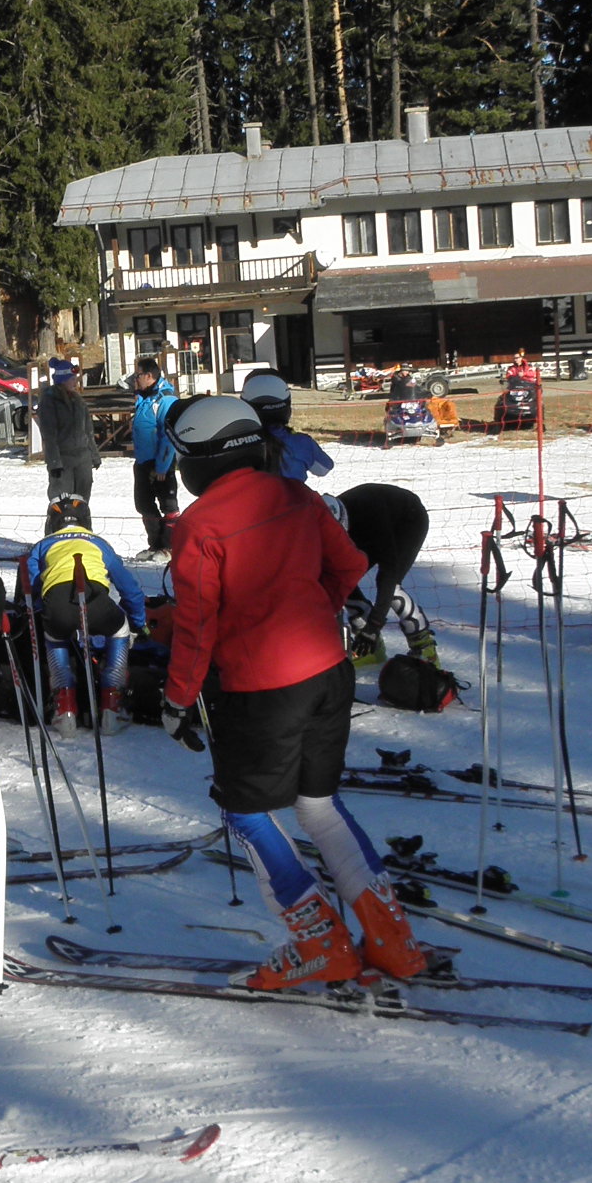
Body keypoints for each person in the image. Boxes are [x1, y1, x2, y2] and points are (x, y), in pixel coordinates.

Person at [159, 396, 426, 992]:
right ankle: (392, 938)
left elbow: (196, 627)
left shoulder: (199, 526)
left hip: (260, 688)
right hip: (328, 673)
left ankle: (319, 944)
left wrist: (178, 701)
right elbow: (351, 564)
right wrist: (313, 610)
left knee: (246, 811)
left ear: (198, 459)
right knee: (317, 804)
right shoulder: (297, 497)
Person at [23, 496, 148, 733]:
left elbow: (32, 587)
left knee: (55, 637)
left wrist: (43, 611)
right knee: (119, 629)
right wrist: (138, 623)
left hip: (57, 606)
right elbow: (129, 588)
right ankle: (112, 705)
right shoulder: (98, 543)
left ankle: (65, 709)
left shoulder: (42, 545)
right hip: (95, 601)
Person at [330, 483, 439, 666]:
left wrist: (374, 625)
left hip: (407, 520)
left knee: (392, 586)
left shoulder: (372, 517)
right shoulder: (323, 519)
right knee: (342, 580)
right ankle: (370, 649)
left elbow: (388, 572)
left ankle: (424, 646)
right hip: (366, 525)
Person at [241, 368, 335, 483]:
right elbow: (324, 469)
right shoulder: (302, 442)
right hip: (295, 500)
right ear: (286, 407)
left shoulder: (236, 445)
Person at [128, 357, 181, 554]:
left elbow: (168, 434)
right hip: (142, 461)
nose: (136, 379)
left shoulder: (165, 399)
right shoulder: (143, 397)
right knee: (143, 503)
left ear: (149, 376)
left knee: (168, 503)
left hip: (160, 463)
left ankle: (169, 545)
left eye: (138, 375)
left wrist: (163, 465)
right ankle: (155, 544)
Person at [32, 358, 98, 507]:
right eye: (72, 379)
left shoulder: (79, 401)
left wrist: (94, 455)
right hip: (63, 460)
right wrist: (54, 463)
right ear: (63, 380)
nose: (75, 382)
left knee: (81, 504)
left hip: (82, 459)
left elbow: (88, 431)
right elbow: (49, 435)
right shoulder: (50, 400)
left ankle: (83, 527)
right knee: (62, 505)